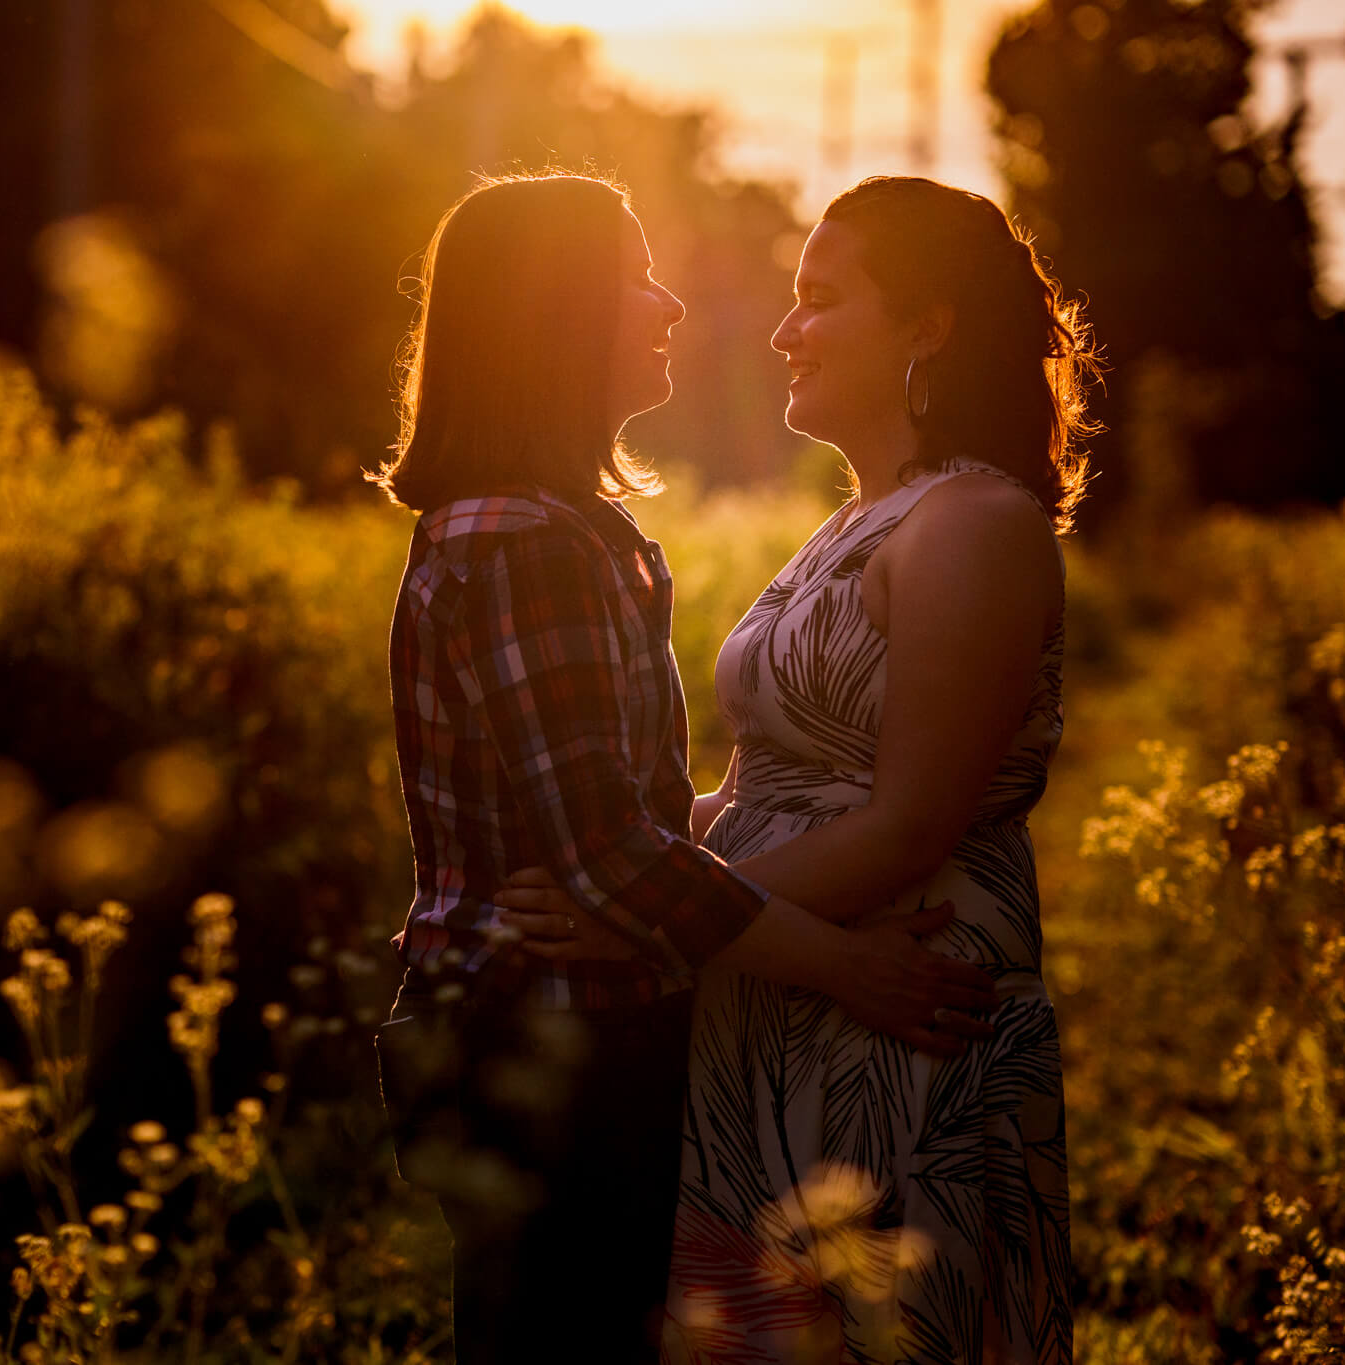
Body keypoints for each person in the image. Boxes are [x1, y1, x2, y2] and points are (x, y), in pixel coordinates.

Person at [370, 171, 1001, 1365]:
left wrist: (686, 837)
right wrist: (842, 967)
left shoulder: (554, 527)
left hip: (567, 1038)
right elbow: (606, 850)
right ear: (555, 316)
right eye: (631, 280)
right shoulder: (521, 541)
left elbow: (614, 823)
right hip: (548, 1050)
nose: (667, 307)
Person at [503, 175, 1095, 1362]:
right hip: (783, 989)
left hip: (893, 1006)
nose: (782, 332)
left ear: (925, 324)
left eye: (819, 300)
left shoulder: (974, 524)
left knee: (878, 1328)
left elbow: (905, 827)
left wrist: (653, 923)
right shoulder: (859, 519)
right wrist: (619, 852)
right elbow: (766, 788)